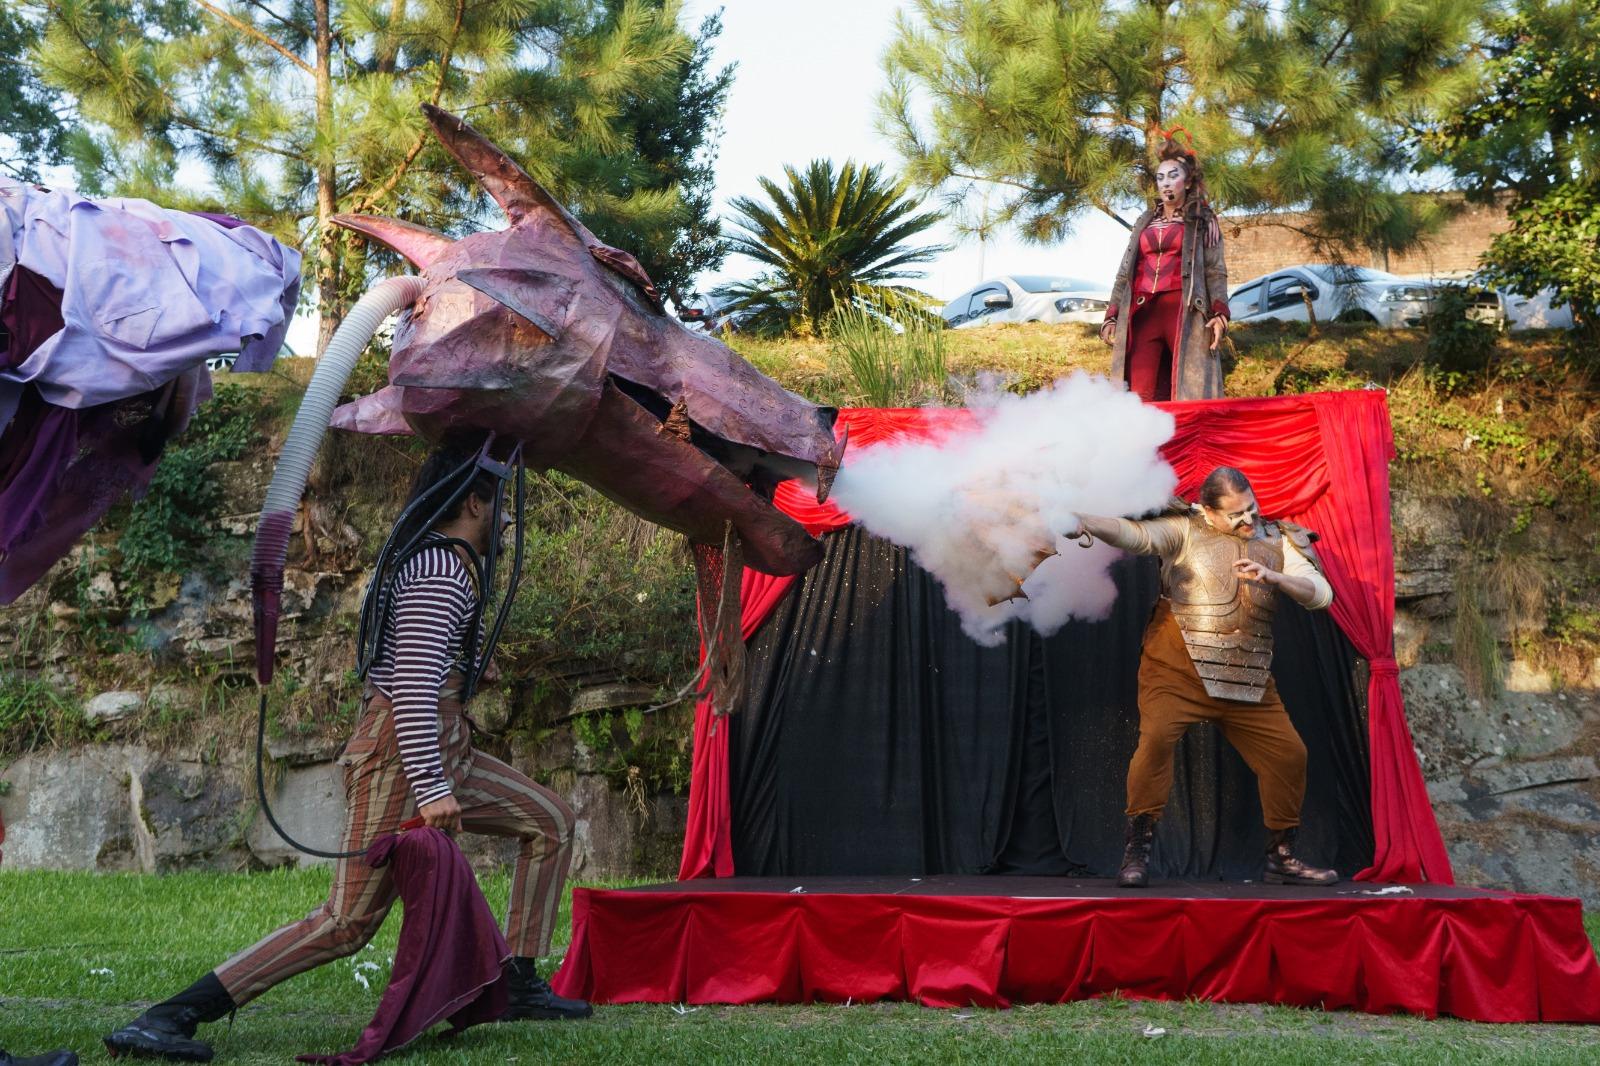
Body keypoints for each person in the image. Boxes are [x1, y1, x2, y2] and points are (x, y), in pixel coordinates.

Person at [104, 448, 590, 1062]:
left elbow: (422, 665)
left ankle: (517, 982)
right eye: (500, 510)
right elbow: (410, 688)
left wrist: (465, 672)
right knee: (346, 922)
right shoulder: (441, 570)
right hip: (401, 756)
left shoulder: (446, 564)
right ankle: (170, 1016)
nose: (506, 524)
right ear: (474, 502)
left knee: (549, 820)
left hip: (446, 746)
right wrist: (432, 787)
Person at [1073, 466, 1339, 888]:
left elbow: (1320, 595)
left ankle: (1281, 858)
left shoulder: (1279, 539)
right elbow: (1136, 536)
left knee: (1290, 755)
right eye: (1235, 514)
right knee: (1155, 742)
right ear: (1209, 512)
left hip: (1248, 674)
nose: (1247, 519)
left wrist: (1278, 577)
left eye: (1250, 507)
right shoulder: (1183, 530)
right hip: (1175, 670)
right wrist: (1085, 521)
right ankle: (1137, 848)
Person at [1099, 132, 1230, 402]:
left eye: (1173, 176)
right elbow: (1125, 272)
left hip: (1184, 311)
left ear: (1187, 181)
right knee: (1139, 395)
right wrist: (1111, 315)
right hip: (1143, 312)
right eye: (1160, 178)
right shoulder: (1144, 220)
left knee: (1189, 393)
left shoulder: (1203, 219)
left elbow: (1215, 270)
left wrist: (1220, 314)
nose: (1166, 183)